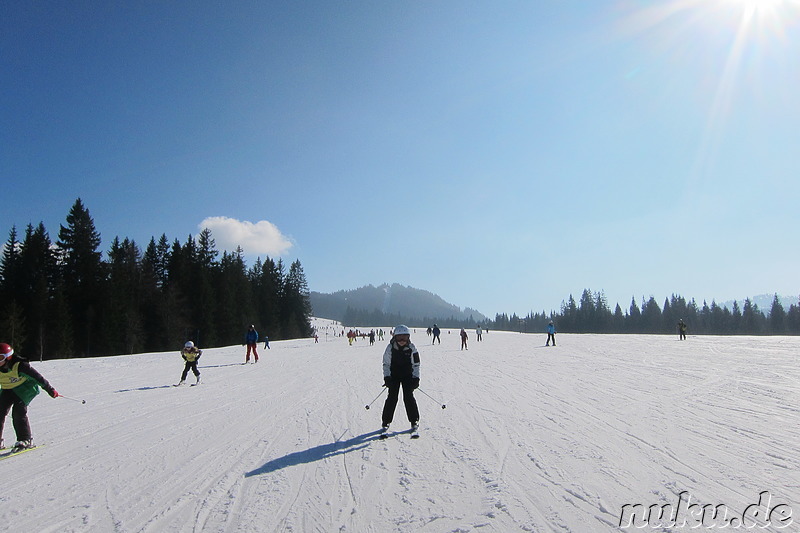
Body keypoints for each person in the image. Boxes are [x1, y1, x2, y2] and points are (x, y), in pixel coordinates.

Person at [0, 343, 59, 451]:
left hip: (25, 389)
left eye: (0, 358)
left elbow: (38, 378)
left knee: (18, 412)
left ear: (8, 357)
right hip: (7, 389)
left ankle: (25, 439)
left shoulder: (20, 366)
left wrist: (50, 389)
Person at [381, 325, 420, 434]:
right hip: (394, 377)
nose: (402, 341)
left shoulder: (412, 348)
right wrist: (387, 377)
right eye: (399, 338)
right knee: (392, 398)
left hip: (408, 376)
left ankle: (414, 420)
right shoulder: (390, 348)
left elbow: (416, 364)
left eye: (404, 337)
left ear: (408, 338)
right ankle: (386, 421)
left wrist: (416, 378)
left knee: (408, 397)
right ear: (395, 338)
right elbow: (386, 364)